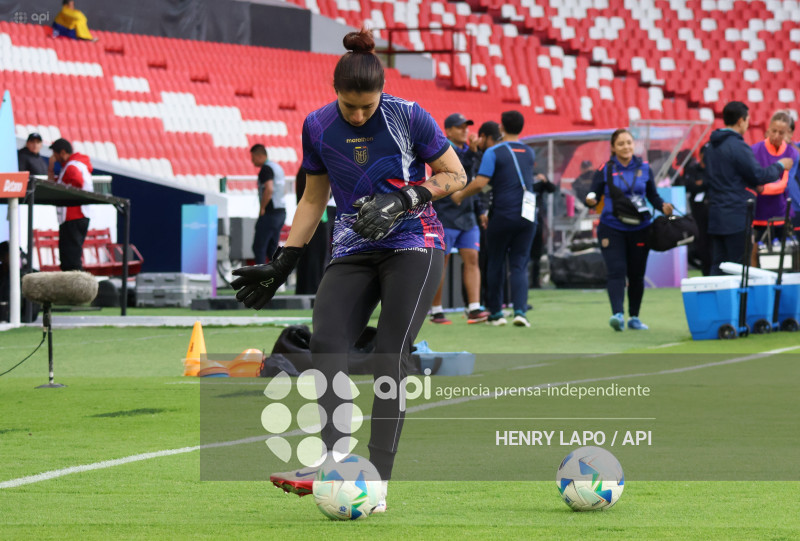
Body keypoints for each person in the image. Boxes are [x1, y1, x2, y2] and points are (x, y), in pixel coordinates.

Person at [229, 29, 465, 512]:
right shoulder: (316, 125)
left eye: (367, 106)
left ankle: (376, 480)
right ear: (335, 91)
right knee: (327, 342)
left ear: (380, 92)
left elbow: (455, 175)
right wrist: (285, 259)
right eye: (350, 106)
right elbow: (314, 196)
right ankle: (335, 459)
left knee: (388, 355)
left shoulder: (409, 116)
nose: (358, 115)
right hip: (353, 246)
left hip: (414, 243)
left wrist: (404, 198)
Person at [451, 110, 538, 327]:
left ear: (501, 128)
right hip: (527, 217)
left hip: (502, 214)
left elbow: (481, 183)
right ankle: (520, 311)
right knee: (519, 264)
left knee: (496, 262)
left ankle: (497, 312)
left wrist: (460, 194)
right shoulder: (529, 152)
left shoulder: (494, 152)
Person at [585, 129, 674, 331]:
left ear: (634, 145)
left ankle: (634, 317)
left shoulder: (644, 167)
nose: (626, 147)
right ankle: (617, 314)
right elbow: (593, 192)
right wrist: (590, 199)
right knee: (616, 272)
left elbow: (653, 195)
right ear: (613, 147)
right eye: (621, 144)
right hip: (611, 227)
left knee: (636, 274)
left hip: (641, 228)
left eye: (629, 143)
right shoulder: (605, 169)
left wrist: (662, 207)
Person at [704, 101, 792, 275]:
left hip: (716, 214)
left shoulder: (711, 146)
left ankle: (719, 302)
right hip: (735, 216)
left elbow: (731, 175)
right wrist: (780, 166)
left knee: (718, 265)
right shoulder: (738, 146)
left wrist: (751, 183)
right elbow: (759, 175)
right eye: (747, 119)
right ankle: (738, 303)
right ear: (740, 121)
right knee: (738, 268)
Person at [429, 112, 489, 324]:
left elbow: (474, 182)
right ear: (448, 131)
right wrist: (473, 153)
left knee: (472, 258)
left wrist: (481, 209)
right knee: (441, 262)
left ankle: (474, 307)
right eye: (460, 127)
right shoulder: (442, 148)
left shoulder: (467, 150)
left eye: (466, 126)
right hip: (445, 213)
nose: (465, 130)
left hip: (467, 214)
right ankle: (436, 310)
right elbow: (458, 174)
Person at [751, 111, 799, 250]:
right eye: (774, 131)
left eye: (781, 132)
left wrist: (763, 188)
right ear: (768, 129)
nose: (777, 136)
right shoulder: (755, 150)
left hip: (781, 211)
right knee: (756, 251)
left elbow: (783, 183)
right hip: (759, 211)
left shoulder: (791, 153)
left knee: (782, 254)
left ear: (787, 133)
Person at [48, 138, 93, 271]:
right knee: (69, 256)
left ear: (62, 152)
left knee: (71, 259)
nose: (54, 158)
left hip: (74, 216)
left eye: (55, 154)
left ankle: (75, 289)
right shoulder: (74, 165)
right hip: (77, 216)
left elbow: (77, 182)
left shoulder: (72, 166)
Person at [249, 144, 287, 265]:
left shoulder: (266, 169)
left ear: (259, 156)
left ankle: (260, 280)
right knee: (272, 250)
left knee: (259, 248)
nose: (252, 160)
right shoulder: (277, 168)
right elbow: (283, 189)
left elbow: (269, 189)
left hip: (270, 213)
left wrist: (262, 208)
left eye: (253, 157)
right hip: (281, 212)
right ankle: (274, 280)